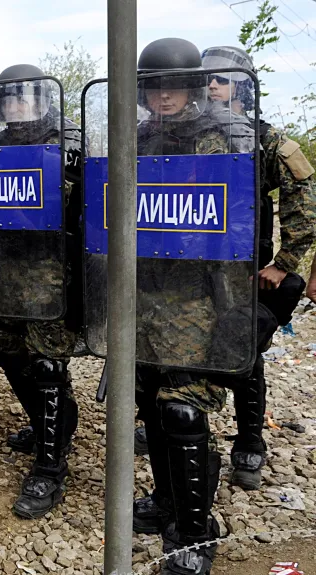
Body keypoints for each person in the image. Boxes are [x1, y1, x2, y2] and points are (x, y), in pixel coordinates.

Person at [132, 46, 315, 492]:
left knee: (241, 356)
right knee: (176, 372)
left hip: (238, 270)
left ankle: (249, 438)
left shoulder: (254, 137)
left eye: (222, 78)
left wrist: (285, 264)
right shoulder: (150, 133)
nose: (213, 85)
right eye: (208, 78)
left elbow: (303, 198)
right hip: (169, 273)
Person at [130, 38, 256, 575]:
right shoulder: (136, 138)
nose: (164, 96)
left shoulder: (219, 137)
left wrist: (236, 311)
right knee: (150, 404)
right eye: (155, 86)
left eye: (174, 86)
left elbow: (236, 226)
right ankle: (165, 502)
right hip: (145, 294)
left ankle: (197, 534)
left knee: (183, 410)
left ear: (195, 87)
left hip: (199, 297)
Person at [0, 64, 86, 519]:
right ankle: (56, 424)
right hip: (5, 273)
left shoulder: (68, 139)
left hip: (52, 274)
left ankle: (50, 464)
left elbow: (76, 198)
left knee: (47, 364)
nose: (14, 106)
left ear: (43, 99)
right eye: (6, 99)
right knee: (6, 352)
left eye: (22, 98)